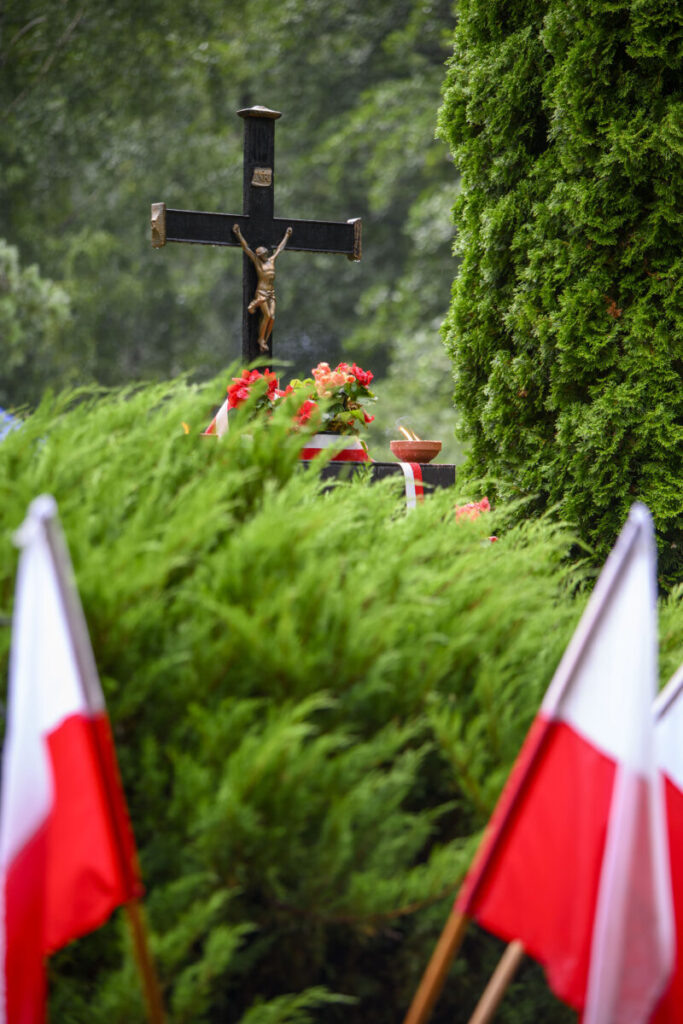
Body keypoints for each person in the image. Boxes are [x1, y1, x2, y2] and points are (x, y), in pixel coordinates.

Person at [233, 224, 293, 352]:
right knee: (267, 315)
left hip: (271, 292)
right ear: (259, 255)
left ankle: (264, 340)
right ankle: (260, 339)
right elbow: (246, 248)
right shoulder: (257, 262)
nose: (264, 255)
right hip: (262, 292)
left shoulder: (272, 260)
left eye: (265, 253)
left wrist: (287, 236)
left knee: (272, 317)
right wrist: (238, 234)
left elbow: (280, 248)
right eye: (262, 254)